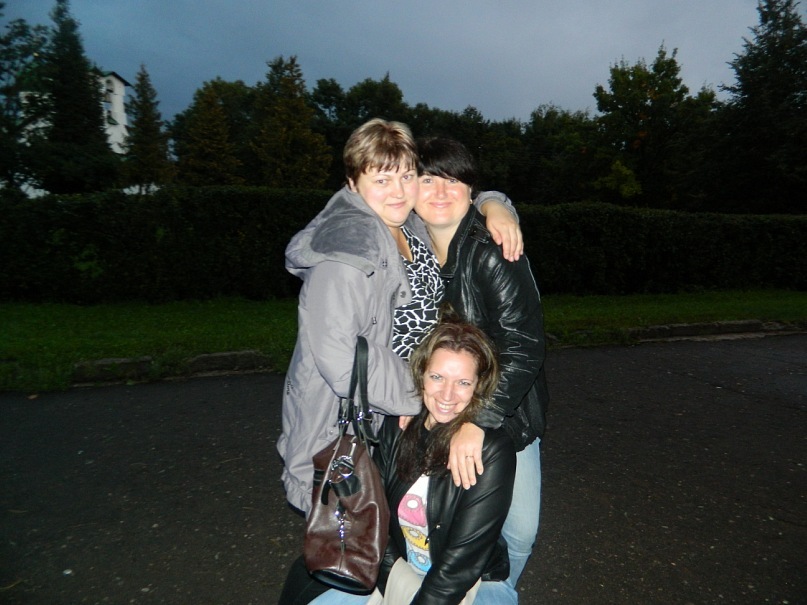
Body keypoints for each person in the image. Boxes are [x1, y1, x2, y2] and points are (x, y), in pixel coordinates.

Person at [278, 119, 523, 516]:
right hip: (355, 419)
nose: (398, 191)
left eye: (407, 176)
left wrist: (496, 205)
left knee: (405, 526)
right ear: (352, 183)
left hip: (403, 409)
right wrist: (418, 396)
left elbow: (458, 195)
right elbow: (339, 359)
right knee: (349, 537)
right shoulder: (348, 251)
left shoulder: (407, 224)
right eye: (381, 180)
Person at [279, 320, 518, 605]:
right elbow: (374, 520)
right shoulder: (399, 426)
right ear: (420, 374)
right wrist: (396, 580)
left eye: (463, 383)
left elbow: (463, 561)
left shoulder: (491, 450)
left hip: (470, 581)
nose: (447, 395)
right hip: (397, 569)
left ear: (479, 385)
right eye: (437, 377)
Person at [409, 137, 550, 590]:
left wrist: (479, 420)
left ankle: (499, 594)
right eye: (427, 180)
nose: (440, 191)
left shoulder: (491, 250)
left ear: (470, 190)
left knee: (520, 530)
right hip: (437, 403)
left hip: (504, 409)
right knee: (439, 519)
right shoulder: (406, 247)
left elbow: (524, 345)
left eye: (453, 180)